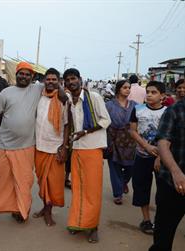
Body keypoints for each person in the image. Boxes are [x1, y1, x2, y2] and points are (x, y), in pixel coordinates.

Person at [0, 62, 52, 223]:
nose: (24, 76)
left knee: (24, 182)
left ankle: (20, 210)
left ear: (32, 77)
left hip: (27, 146)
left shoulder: (37, 89)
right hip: (5, 145)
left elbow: (54, 82)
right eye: (21, 74)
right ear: (16, 75)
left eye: (27, 74)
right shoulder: (6, 92)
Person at [64, 68, 111, 243]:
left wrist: (86, 131)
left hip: (92, 148)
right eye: (67, 80)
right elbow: (67, 124)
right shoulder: (69, 101)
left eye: (73, 78)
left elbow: (106, 120)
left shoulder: (94, 97)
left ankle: (92, 227)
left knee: (92, 191)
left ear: (80, 79)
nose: (71, 82)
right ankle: (77, 222)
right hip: (76, 149)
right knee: (78, 188)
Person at [149, 68, 185, 251]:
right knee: (164, 234)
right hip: (174, 182)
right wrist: (176, 172)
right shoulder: (175, 110)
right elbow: (163, 142)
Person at [32, 68, 69, 226]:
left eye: (54, 79)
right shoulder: (39, 97)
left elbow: (67, 125)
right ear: (44, 80)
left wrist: (65, 146)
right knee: (42, 181)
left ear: (59, 81)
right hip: (39, 145)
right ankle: (44, 207)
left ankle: (48, 211)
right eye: (48, 79)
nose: (51, 82)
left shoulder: (63, 99)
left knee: (53, 182)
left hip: (55, 147)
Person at [129, 81, 167, 235]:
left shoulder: (168, 112)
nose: (149, 95)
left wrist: (160, 157)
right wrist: (147, 146)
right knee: (141, 187)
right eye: (148, 92)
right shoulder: (138, 110)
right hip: (142, 156)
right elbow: (133, 131)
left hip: (163, 159)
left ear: (162, 96)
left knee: (163, 191)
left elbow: (170, 136)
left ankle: (160, 221)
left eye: (154, 92)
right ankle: (146, 220)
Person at [105, 80, 137, 205]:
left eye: (129, 87)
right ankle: (118, 194)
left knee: (131, 167)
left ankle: (123, 182)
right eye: (125, 87)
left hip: (130, 141)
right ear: (118, 89)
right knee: (115, 167)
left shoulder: (135, 105)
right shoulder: (109, 105)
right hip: (113, 139)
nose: (128, 90)